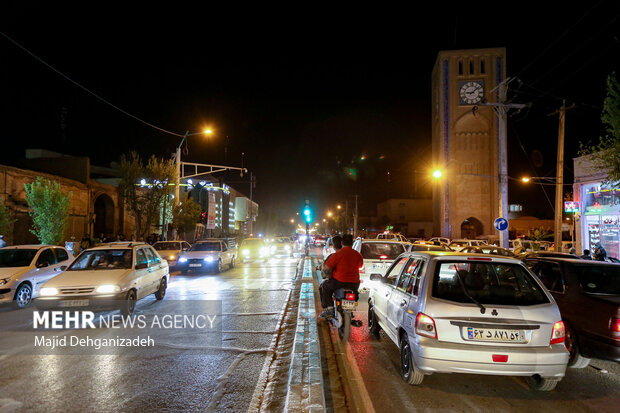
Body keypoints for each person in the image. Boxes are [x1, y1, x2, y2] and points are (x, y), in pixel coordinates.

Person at [318, 234, 363, 319]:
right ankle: (351, 308)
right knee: (355, 293)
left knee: (325, 286)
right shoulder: (358, 254)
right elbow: (360, 265)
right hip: (354, 283)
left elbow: (327, 268)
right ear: (352, 243)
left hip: (339, 282)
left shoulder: (337, 254)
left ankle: (330, 309)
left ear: (342, 243)